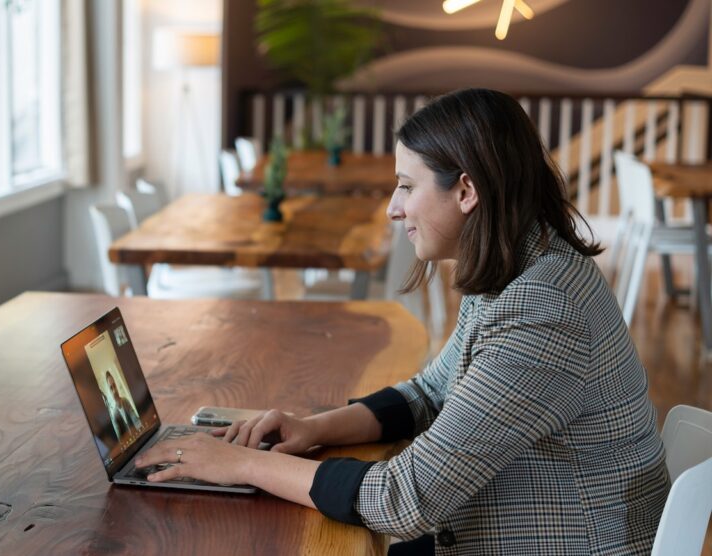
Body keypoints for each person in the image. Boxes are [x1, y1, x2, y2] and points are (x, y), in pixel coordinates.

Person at [135, 88, 670, 555]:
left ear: (466, 191)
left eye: (407, 186)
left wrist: (240, 466)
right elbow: (429, 393)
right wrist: (311, 428)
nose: (393, 208)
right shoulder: (519, 266)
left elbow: (404, 500)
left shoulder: (545, 309)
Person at [105, 370, 142, 441]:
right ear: (109, 391)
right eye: (111, 388)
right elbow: (120, 439)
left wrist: (141, 428)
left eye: (114, 386)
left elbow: (135, 418)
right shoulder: (114, 415)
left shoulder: (125, 401)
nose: (114, 391)